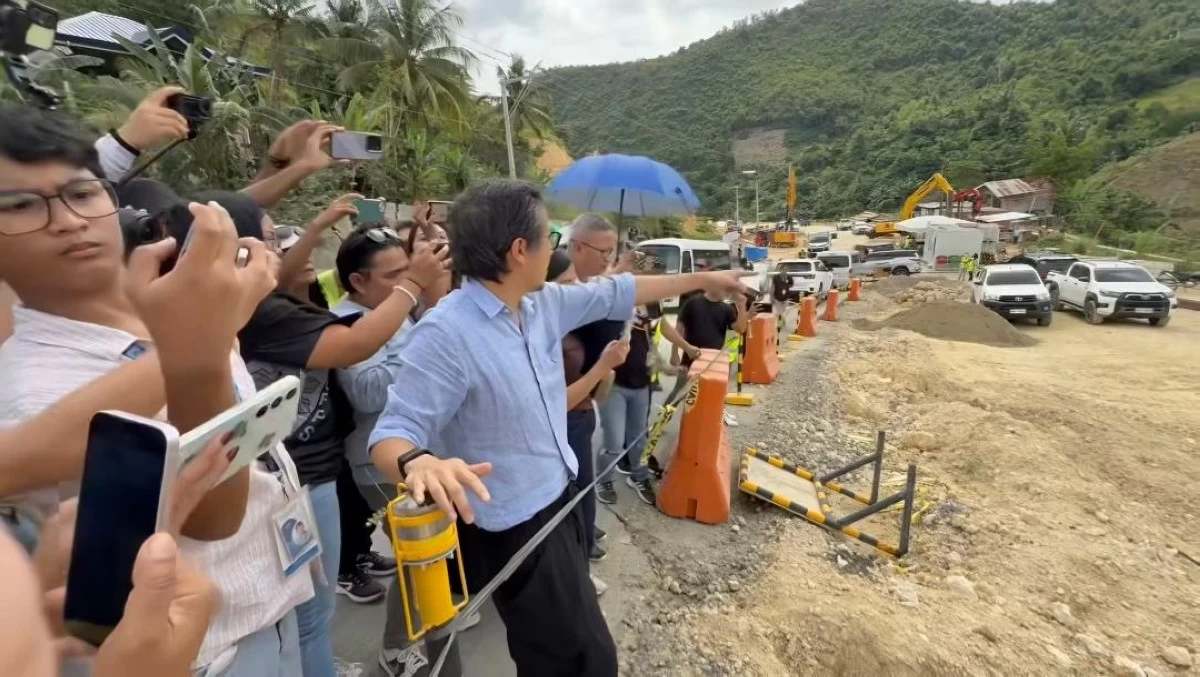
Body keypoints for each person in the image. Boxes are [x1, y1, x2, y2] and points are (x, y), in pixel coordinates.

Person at [368, 180, 752, 677]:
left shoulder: (539, 305)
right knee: (580, 661)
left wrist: (705, 281)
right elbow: (391, 432)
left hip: (561, 499)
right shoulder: (446, 334)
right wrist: (419, 460)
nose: (558, 248)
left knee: (567, 655)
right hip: (517, 529)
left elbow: (620, 290)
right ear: (520, 251)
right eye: (550, 238)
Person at [0, 105, 315, 676]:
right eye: (19, 206)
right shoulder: (30, 389)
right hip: (200, 652)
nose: (69, 220)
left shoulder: (160, 310)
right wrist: (201, 345)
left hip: (271, 598)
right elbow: (214, 519)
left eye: (83, 192)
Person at [332, 223, 472, 676]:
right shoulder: (350, 322)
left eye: (407, 272)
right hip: (377, 463)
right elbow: (369, 392)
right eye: (394, 275)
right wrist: (423, 337)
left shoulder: (390, 312)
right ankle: (395, 650)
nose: (404, 285)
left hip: (411, 455)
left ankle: (433, 619)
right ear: (358, 281)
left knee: (426, 551)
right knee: (417, 558)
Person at [562, 213, 623, 556]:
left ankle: (586, 527)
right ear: (578, 247)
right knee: (574, 483)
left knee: (582, 483)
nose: (607, 259)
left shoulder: (597, 292)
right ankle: (579, 545)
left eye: (612, 252)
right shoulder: (558, 297)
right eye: (604, 251)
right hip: (568, 409)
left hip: (584, 406)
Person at [665, 275, 751, 403]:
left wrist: (742, 306)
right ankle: (663, 418)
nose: (727, 293)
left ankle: (700, 422)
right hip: (690, 357)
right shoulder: (693, 303)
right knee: (678, 392)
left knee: (707, 396)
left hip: (713, 361)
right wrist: (674, 353)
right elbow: (679, 329)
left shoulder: (726, 309)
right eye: (725, 288)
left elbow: (740, 328)